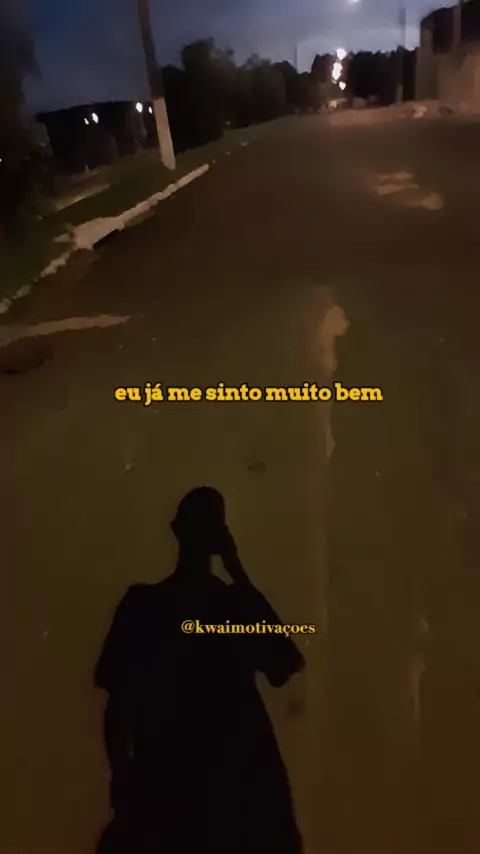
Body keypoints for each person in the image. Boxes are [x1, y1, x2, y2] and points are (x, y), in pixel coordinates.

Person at [95, 487, 304, 854]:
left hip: (205, 789)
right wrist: (237, 571)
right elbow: (282, 662)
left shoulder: (155, 606)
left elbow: (282, 662)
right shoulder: (218, 607)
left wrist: (123, 777)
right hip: (207, 789)